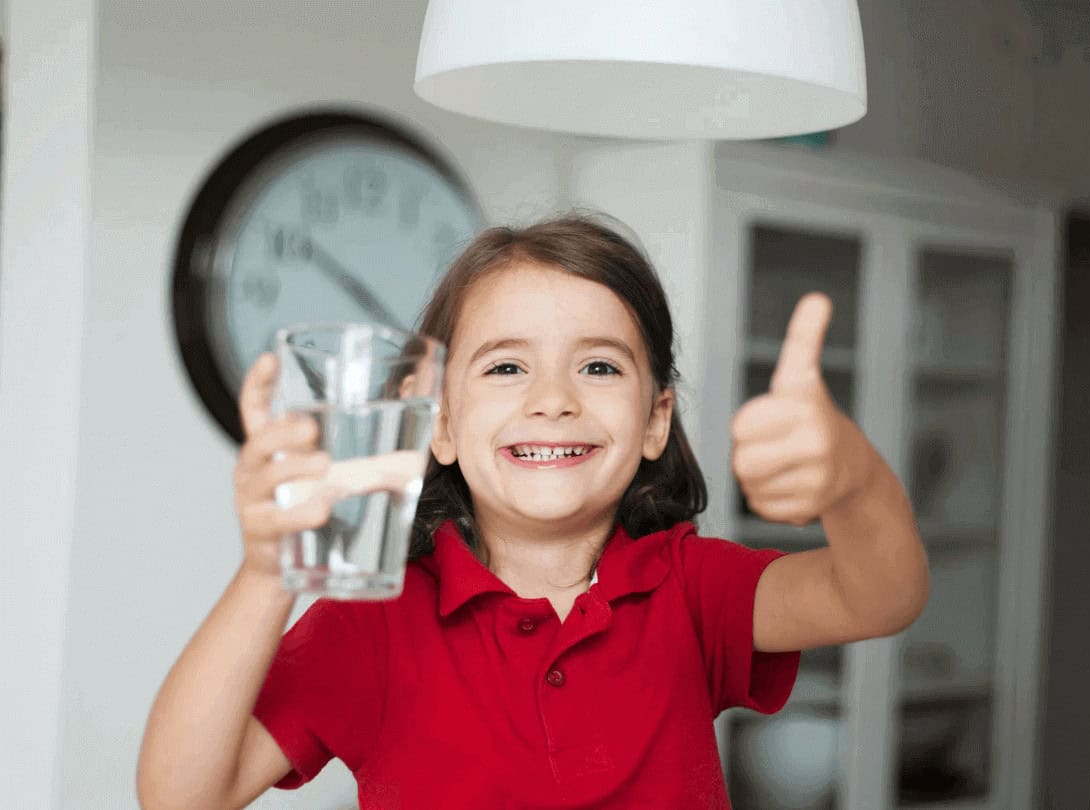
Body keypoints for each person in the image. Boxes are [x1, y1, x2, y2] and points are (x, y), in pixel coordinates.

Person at [137, 214, 929, 809]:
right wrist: (266, 571)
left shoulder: (692, 589)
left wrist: (852, 481)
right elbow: (180, 796)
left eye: (598, 367)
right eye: (506, 368)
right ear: (438, 424)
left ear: (654, 421)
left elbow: (879, 596)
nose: (552, 400)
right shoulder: (372, 621)